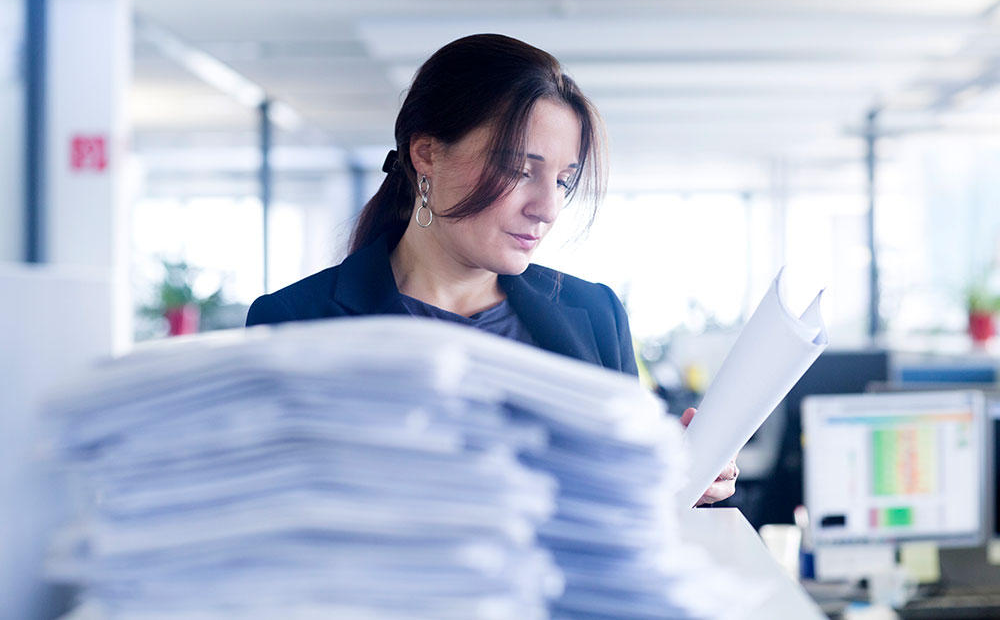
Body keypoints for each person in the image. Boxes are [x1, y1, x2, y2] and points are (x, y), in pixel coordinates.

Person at [246, 34, 736, 505]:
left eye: (564, 181)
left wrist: (669, 474)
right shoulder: (296, 321)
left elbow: (624, 518)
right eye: (522, 170)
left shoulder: (594, 313)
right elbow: (272, 519)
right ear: (427, 154)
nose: (547, 208)